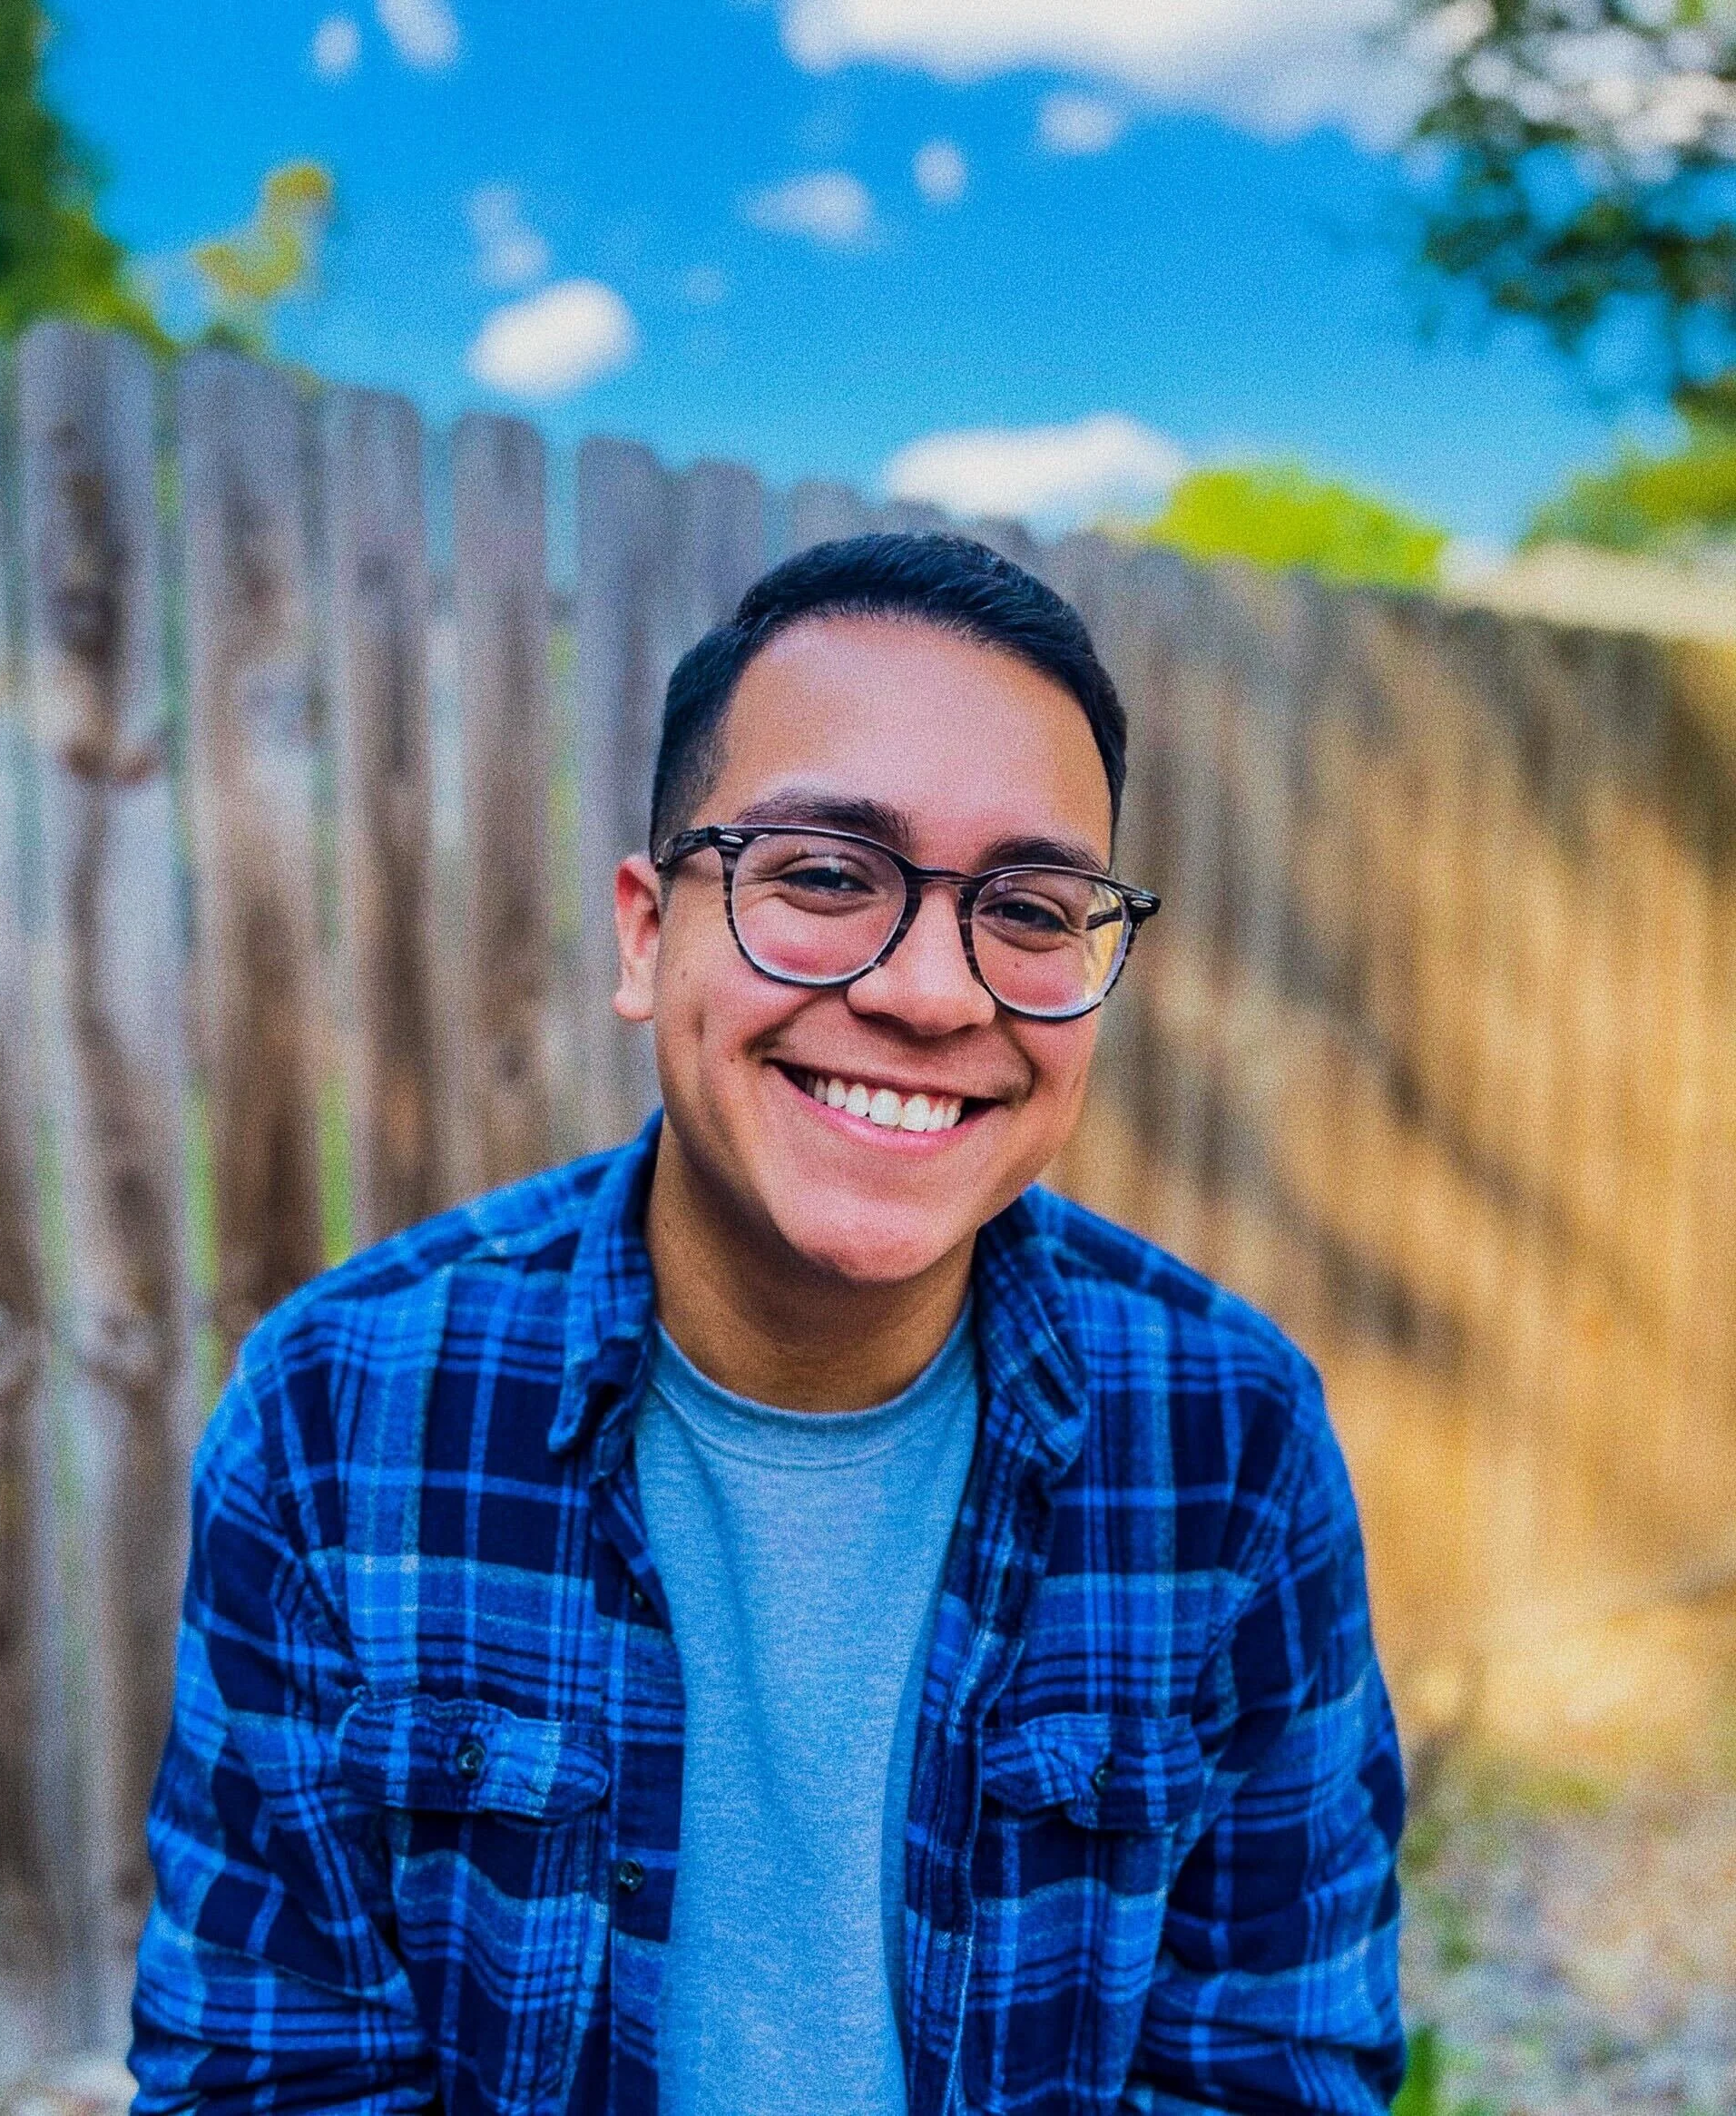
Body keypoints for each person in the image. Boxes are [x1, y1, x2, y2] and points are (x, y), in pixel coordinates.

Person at [131, 534, 1405, 2116]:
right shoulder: (338, 1417)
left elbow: (1274, 2070)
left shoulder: (1232, 1439)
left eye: (1031, 907)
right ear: (646, 935)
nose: (936, 992)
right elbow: (271, 2073)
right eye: (823, 874)